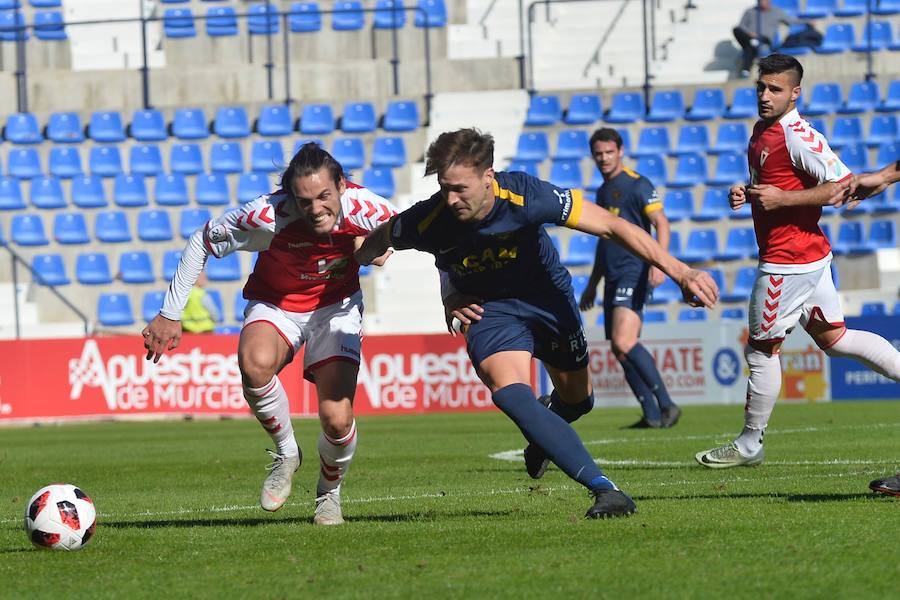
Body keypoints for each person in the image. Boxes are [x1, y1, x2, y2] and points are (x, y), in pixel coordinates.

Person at [355, 128, 719, 518]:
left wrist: (681, 272)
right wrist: (367, 256)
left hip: (548, 299)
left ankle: (545, 433)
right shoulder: (429, 218)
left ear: (488, 176)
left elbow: (613, 226)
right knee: (510, 392)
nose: (451, 198)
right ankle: (605, 489)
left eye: (460, 188)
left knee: (579, 401)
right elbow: (371, 244)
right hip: (489, 309)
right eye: (444, 187)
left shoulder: (527, 195)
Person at [142, 143, 396, 525]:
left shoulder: (371, 209)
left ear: (342, 186)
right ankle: (287, 452)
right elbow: (202, 241)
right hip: (277, 304)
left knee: (336, 420)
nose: (315, 209)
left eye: (324, 196)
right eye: (304, 200)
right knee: (254, 364)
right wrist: (170, 313)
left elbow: (427, 235)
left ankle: (329, 494)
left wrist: (382, 245)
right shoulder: (266, 214)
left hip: (336, 307)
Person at [695, 54, 900, 469]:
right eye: (761, 87)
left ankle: (750, 444)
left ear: (795, 93)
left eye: (775, 89)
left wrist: (784, 199)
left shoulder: (796, 135)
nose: (765, 96)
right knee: (836, 340)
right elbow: (777, 184)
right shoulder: (762, 131)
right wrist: (749, 192)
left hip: (787, 261)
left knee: (762, 350)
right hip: (810, 255)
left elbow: (842, 187)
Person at [579, 128, 680, 429]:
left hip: (634, 270)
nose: (604, 158)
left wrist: (660, 264)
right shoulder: (602, 191)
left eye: (609, 152)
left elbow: (661, 223)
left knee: (625, 340)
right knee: (619, 349)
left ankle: (667, 404)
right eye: (598, 154)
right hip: (611, 275)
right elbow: (603, 239)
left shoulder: (637, 185)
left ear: (621, 151)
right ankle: (651, 413)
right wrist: (592, 284)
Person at [733, 0, 801, 78]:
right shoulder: (750, 11)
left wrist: (808, 21)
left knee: (750, 47)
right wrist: (750, 34)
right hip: (749, 37)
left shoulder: (776, 11)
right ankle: (753, 42)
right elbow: (741, 27)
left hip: (765, 39)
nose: (764, 2)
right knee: (736, 30)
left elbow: (792, 21)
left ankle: (745, 70)